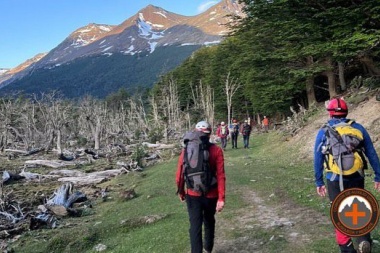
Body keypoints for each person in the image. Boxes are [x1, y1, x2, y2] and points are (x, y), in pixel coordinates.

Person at [314, 97, 380, 253]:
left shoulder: (324, 131)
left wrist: (319, 182)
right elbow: (371, 153)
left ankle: (347, 248)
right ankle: (363, 240)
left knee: (338, 211)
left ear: (330, 114)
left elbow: (318, 158)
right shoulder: (358, 128)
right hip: (356, 175)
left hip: (334, 178)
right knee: (359, 206)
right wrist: (378, 176)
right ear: (346, 111)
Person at [176, 121, 226, 253]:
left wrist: (181, 191)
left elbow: (180, 173)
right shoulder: (216, 150)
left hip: (192, 194)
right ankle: (208, 248)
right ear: (209, 133)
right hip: (212, 194)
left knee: (195, 226)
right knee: (209, 221)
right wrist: (221, 198)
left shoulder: (186, 150)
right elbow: (221, 175)